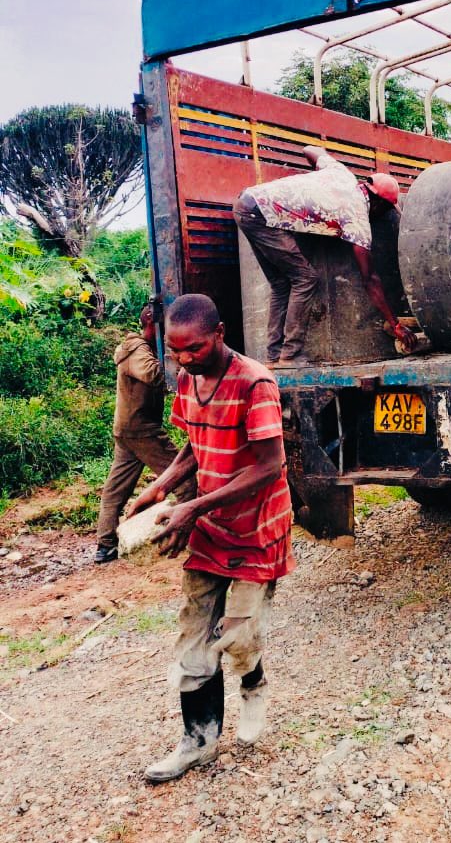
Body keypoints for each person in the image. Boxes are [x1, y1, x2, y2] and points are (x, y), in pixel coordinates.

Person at [126, 293, 294, 783]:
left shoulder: (255, 383)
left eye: (194, 349)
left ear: (219, 334)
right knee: (194, 637)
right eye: (175, 351)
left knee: (237, 637)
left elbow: (270, 466)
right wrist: (159, 489)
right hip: (209, 530)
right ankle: (197, 741)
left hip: (257, 529)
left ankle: (254, 681)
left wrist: (191, 506)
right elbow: (193, 445)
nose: (183, 359)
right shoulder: (186, 378)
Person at [233, 145, 416, 367]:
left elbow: (310, 149)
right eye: (386, 210)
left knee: (281, 284)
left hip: (245, 203)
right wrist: (394, 323)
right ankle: (289, 356)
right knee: (305, 279)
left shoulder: (340, 173)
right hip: (263, 214)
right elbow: (369, 279)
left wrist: (317, 186)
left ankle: (273, 357)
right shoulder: (357, 215)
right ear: (378, 203)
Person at [94, 303, 193, 565]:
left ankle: (105, 545)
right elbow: (152, 374)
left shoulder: (137, 347)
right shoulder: (137, 349)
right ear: (152, 324)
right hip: (141, 430)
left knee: (115, 490)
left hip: (128, 428)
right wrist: (180, 365)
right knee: (185, 479)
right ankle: (191, 533)